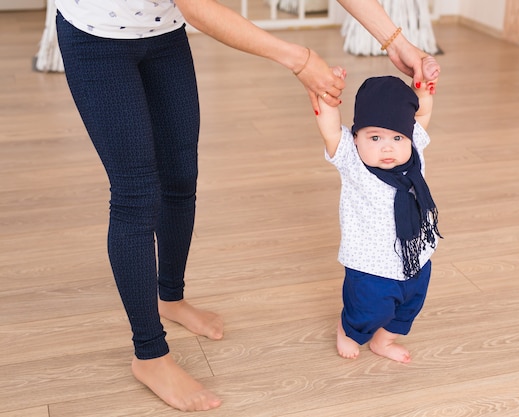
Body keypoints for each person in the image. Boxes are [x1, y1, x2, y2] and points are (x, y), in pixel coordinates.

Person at [54, 0, 440, 412]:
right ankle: (149, 354)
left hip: (161, 31)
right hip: (97, 36)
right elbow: (198, 7)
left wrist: (394, 39)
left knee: (181, 177)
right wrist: (300, 59)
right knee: (136, 195)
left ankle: (170, 297)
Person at [314, 60, 441, 364]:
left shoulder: (413, 153)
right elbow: (330, 130)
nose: (388, 148)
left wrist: (423, 87)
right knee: (368, 309)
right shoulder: (352, 159)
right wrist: (327, 96)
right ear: (356, 136)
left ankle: (383, 342)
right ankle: (348, 330)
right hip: (369, 264)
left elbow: (421, 112)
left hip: (415, 257)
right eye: (375, 138)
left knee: (408, 307)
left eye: (397, 138)